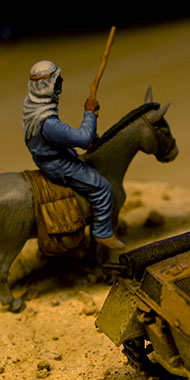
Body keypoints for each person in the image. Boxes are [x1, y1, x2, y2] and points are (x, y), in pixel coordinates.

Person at [21, 60, 124, 250]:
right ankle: (102, 232)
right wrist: (89, 114)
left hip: (48, 154)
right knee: (102, 188)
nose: (60, 83)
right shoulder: (48, 122)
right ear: (47, 86)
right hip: (58, 164)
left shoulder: (32, 106)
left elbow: (60, 138)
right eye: (56, 81)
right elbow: (83, 139)